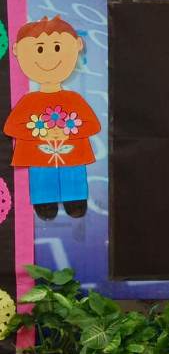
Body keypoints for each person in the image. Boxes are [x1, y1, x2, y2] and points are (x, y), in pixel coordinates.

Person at [3, 16, 100, 220]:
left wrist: (67, 132)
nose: (48, 58)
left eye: (57, 48)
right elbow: (10, 128)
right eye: (39, 49)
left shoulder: (74, 99)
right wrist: (41, 133)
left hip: (72, 155)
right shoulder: (29, 101)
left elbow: (93, 125)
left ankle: (75, 197)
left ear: (77, 46)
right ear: (18, 51)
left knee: (73, 171)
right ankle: (44, 200)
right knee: (41, 173)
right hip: (38, 157)